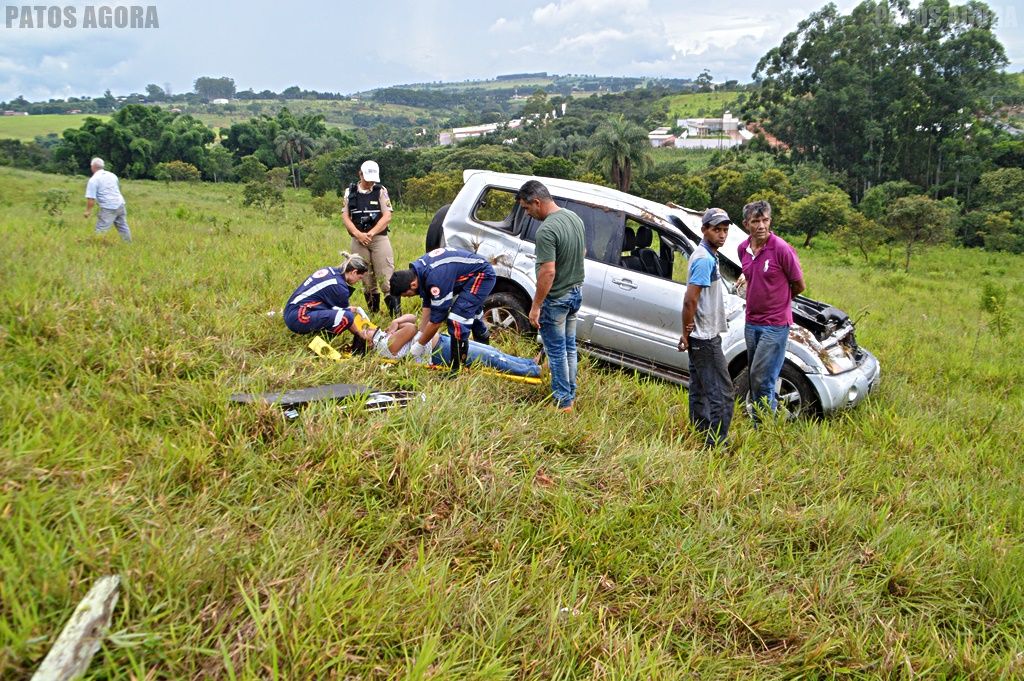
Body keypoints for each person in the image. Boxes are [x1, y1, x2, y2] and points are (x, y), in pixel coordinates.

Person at [516, 180, 585, 412]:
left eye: (527, 208)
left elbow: (548, 271)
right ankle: (570, 394)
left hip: (556, 298)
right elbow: (581, 252)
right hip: (575, 292)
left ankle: (563, 402)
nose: (527, 214)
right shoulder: (574, 218)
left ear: (537, 202)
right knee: (569, 348)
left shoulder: (546, 230)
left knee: (556, 352)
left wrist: (536, 306)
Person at [737, 200, 805, 416]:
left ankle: (764, 424)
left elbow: (799, 284)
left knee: (761, 375)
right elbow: (750, 276)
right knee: (756, 376)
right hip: (751, 321)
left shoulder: (782, 249)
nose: (761, 226)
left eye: (765, 220)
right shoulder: (743, 249)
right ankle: (762, 419)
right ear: (746, 224)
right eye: (755, 221)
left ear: (770, 221)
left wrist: (780, 302)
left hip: (775, 324)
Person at [679, 208, 735, 448]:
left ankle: (699, 432)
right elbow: (690, 300)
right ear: (704, 230)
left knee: (699, 388)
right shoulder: (703, 259)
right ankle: (715, 444)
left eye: (725, 230)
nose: (722, 235)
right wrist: (686, 332)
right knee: (724, 395)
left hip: (702, 336)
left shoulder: (709, 255)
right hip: (705, 338)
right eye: (716, 230)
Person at [389, 247, 496, 373]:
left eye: (407, 295)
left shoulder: (436, 279)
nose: (408, 297)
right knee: (470, 314)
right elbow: (428, 305)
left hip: (482, 275)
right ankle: (483, 345)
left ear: (413, 285)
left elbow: (436, 321)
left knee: (457, 319)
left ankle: (457, 368)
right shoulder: (420, 272)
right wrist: (421, 334)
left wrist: (419, 345)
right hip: (468, 275)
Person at [352, 311, 540, 378]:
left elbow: (412, 318)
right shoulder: (383, 346)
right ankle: (535, 371)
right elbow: (411, 328)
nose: (369, 328)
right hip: (439, 351)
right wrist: (396, 327)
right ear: (368, 344)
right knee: (490, 358)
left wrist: (396, 321)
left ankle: (528, 363)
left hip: (441, 341)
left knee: (491, 350)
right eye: (366, 331)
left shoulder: (386, 336)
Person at [342, 160, 399, 316]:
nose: (370, 182)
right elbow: (345, 217)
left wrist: (371, 233)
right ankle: (373, 314)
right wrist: (358, 234)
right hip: (358, 239)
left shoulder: (381, 191)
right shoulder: (350, 192)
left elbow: (387, 216)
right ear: (360, 174)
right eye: (367, 179)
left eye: (373, 179)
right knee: (365, 279)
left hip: (378, 237)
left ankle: (395, 315)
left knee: (386, 278)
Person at [282, 254, 368, 335]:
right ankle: (320, 342)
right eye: (359, 278)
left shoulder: (329, 271)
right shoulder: (340, 287)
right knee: (347, 317)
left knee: (340, 313)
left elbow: (332, 306)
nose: (358, 281)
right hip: (298, 318)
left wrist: (356, 310)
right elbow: (344, 314)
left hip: (290, 310)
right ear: (354, 272)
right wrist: (360, 335)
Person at [83, 157, 131, 243]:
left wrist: (88, 211)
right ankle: (128, 244)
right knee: (123, 226)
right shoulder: (112, 175)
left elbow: (91, 198)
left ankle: (96, 246)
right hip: (120, 204)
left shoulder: (93, 180)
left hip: (108, 207)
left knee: (101, 228)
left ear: (92, 167)